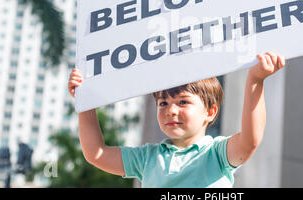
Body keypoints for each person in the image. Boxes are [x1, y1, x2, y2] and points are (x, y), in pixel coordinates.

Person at [68, 52, 285, 187]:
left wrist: (255, 79)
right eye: (163, 103)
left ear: (210, 112)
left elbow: (249, 141)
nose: (170, 110)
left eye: (182, 102)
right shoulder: (146, 158)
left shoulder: (217, 153)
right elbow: (96, 154)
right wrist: (85, 103)